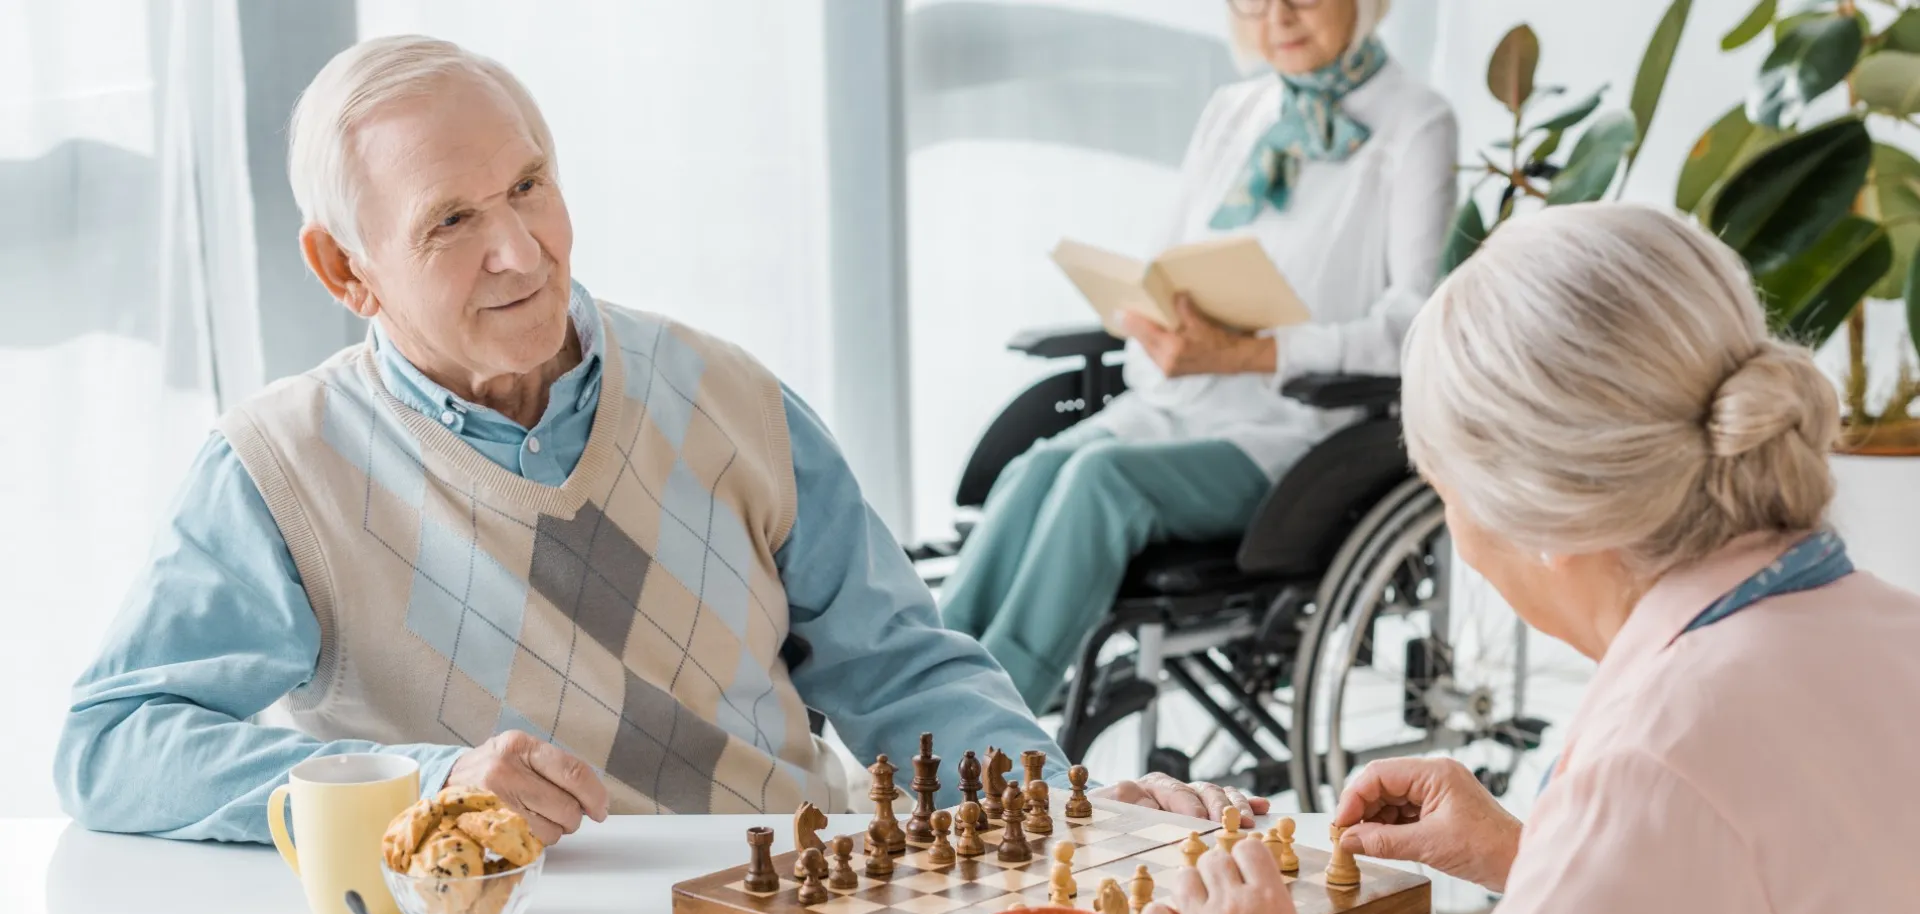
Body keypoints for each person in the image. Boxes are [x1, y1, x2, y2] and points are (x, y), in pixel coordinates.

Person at [54, 36, 1261, 848]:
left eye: (530, 187)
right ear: (343, 268)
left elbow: (902, 675)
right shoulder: (281, 470)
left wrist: (1078, 810)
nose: (520, 250)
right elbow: (111, 747)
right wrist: (420, 791)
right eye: (454, 221)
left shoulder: (729, 396)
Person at [1136, 204, 1920, 914]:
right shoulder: (1895, 636)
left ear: (1546, 519)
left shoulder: (1659, 764)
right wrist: (1537, 856)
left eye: (1445, 493)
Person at [939, 0, 1456, 714]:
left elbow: (1412, 325)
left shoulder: (1415, 121)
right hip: (1181, 400)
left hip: (1296, 437)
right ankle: (926, 683)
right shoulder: (1233, 111)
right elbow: (1167, 264)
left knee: (1099, 480)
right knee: (1036, 469)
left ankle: (987, 724)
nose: (1277, 16)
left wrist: (1250, 354)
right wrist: (1157, 326)